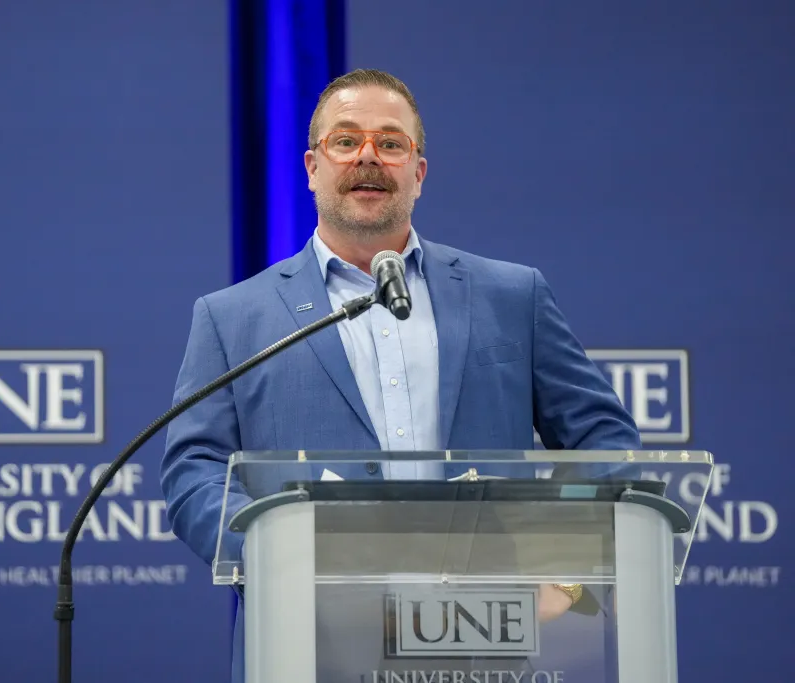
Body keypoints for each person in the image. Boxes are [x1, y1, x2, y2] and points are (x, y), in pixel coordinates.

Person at [160, 68, 640, 682]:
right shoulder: (232, 317)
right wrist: (271, 557)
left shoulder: (512, 295)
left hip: (486, 639)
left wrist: (568, 573)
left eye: (391, 143)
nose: (369, 157)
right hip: (309, 642)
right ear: (312, 167)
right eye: (345, 140)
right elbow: (193, 472)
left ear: (419, 171)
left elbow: (605, 440)